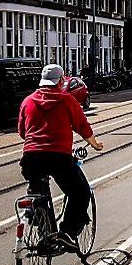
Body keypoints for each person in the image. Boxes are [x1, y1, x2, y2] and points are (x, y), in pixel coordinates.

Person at [18, 64, 104, 251]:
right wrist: (95, 144)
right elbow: (82, 126)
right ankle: (66, 234)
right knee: (80, 192)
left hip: (31, 158)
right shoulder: (67, 100)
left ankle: (44, 235)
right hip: (59, 157)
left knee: (38, 195)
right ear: (61, 80)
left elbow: (23, 132)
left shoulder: (28, 101)